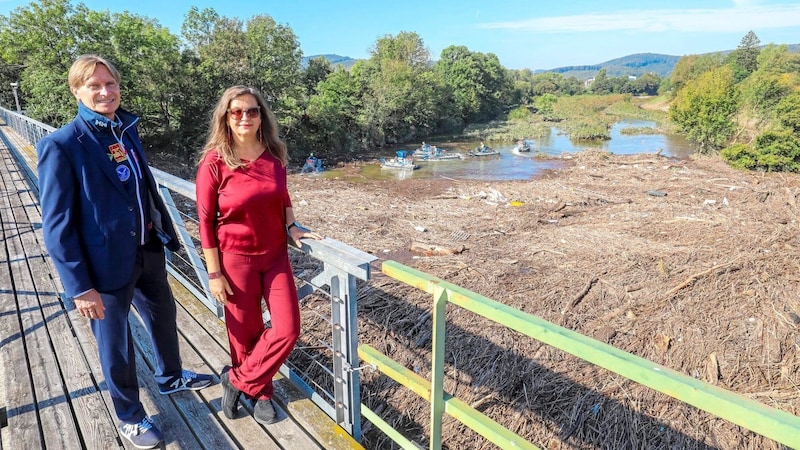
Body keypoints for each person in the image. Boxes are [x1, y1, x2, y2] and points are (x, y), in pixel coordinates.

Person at [37, 54, 214, 450]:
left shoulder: (125, 128)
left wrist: (162, 232)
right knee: (115, 344)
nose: (105, 91)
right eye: (94, 86)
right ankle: (130, 416)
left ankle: (171, 377)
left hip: (147, 248)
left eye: (110, 83)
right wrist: (79, 287)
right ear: (76, 91)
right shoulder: (62, 145)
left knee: (163, 317)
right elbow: (57, 224)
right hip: (102, 266)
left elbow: (142, 187)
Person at [195, 86, 324, 425]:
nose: (244, 118)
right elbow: (205, 222)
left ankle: (236, 381)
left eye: (252, 111)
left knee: (287, 329)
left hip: (275, 256)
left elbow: (282, 195)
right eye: (236, 112)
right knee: (245, 334)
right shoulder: (214, 163)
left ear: (261, 116)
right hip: (234, 260)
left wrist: (292, 226)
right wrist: (214, 273)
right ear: (225, 117)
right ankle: (262, 392)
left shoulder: (273, 154)